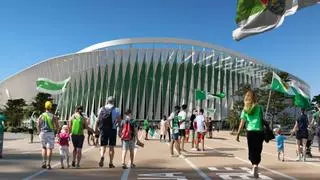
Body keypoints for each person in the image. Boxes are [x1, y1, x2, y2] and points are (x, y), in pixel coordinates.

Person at [236, 89, 264, 179]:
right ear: (254, 98)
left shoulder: (245, 109)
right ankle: (256, 164)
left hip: (250, 131)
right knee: (258, 150)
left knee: (251, 150)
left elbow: (242, 122)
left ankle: (253, 165)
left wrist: (238, 133)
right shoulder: (259, 107)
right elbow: (262, 120)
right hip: (259, 131)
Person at [95, 96, 121, 168]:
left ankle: (102, 156)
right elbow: (119, 121)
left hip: (103, 129)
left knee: (103, 145)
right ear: (113, 101)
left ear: (107, 101)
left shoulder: (101, 108)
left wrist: (96, 129)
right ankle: (110, 162)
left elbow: (97, 120)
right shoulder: (116, 109)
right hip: (112, 129)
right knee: (111, 147)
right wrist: (120, 130)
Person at [37, 101, 60, 169]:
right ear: (51, 107)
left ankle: (44, 162)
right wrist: (57, 132)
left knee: (44, 148)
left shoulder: (42, 115)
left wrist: (39, 132)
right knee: (49, 149)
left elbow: (38, 124)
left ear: (45, 107)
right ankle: (48, 164)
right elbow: (57, 126)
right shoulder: (53, 116)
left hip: (43, 133)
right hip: (50, 133)